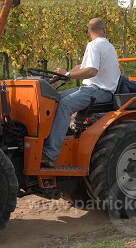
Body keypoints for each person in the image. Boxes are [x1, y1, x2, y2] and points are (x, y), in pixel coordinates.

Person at [42, 18, 120, 168]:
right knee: (55, 98)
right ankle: (59, 139)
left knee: (64, 104)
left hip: (99, 91)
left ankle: (50, 154)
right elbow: (84, 65)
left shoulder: (94, 45)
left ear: (89, 31)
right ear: (104, 30)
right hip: (98, 89)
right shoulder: (108, 46)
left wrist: (69, 75)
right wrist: (67, 73)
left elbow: (91, 71)